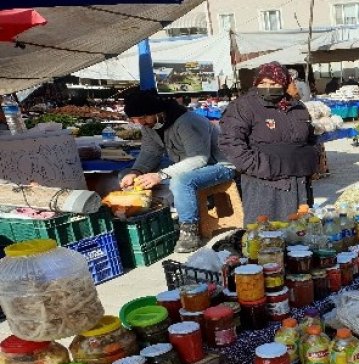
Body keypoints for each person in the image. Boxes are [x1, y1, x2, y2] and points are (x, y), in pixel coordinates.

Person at [120, 91, 235, 253]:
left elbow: (199, 159)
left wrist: (160, 175)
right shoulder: (150, 127)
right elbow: (150, 153)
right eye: (135, 119)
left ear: (157, 112)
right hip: (188, 166)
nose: (140, 123)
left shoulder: (188, 122)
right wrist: (136, 171)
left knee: (180, 181)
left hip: (220, 166)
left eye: (143, 117)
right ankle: (154, 220)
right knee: (126, 175)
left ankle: (190, 232)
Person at [219, 62, 318, 222]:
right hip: (264, 184)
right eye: (262, 83)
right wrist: (260, 166)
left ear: (284, 83)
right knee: (265, 235)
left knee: (299, 232)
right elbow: (230, 142)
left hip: (299, 182)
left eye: (273, 84)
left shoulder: (297, 107)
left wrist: (311, 158)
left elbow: (311, 137)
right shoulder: (243, 106)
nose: (268, 87)